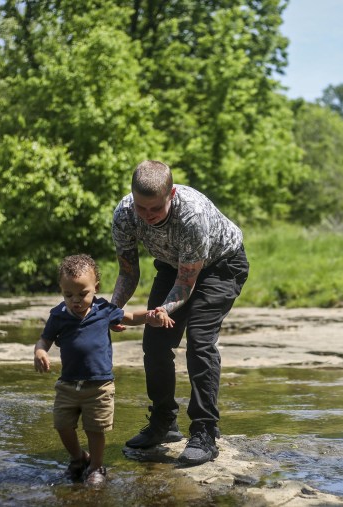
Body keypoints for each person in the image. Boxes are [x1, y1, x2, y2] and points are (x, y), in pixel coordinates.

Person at [111, 160, 249, 466]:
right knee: (155, 343)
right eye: (140, 208)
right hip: (174, 265)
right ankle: (164, 424)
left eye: (155, 209)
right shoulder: (124, 214)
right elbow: (128, 273)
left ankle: (205, 432)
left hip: (221, 267)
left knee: (199, 341)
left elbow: (186, 285)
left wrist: (161, 310)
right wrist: (113, 308)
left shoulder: (192, 215)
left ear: (171, 193)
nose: (147, 217)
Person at [34, 254, 172, 486]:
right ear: (61, 290)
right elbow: (44, 340)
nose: (75, 300)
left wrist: (150, 317)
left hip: (99, 385)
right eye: (69, 295)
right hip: (68, 384)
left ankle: (97, 467)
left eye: (82, 294)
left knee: (95, 429)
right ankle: (79, 459)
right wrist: (40, 351)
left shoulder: (103, 309)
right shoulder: (58, 315)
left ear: (95, 288)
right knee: (62, 425)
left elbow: (129, 317)